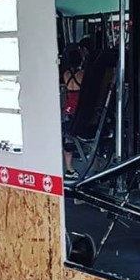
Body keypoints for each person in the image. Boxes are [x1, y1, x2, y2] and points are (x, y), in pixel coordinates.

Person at [61, 44, 84, 180]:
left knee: (68, 139)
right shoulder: (82, 75)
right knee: (84, 137)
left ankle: (69, 169)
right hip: (78, 110)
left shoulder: (66, 75)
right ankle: (93, 164)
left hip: (68, 109)